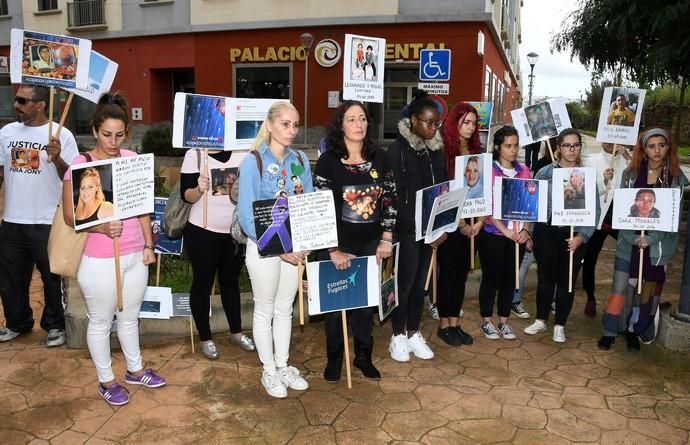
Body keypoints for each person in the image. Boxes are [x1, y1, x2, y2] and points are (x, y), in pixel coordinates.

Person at [61, 93, 166, 406]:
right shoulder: (81, 165)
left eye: (119, 135)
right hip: (98, 258)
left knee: (130, 317)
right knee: (101, 321)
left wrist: (149, 245)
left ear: (127, 134)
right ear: (95, 131)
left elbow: (144, 208)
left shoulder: (133, 160)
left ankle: (135, 369)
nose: (112, 140)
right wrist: (101, 227)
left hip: (135, 254)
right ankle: (106, 380)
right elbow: (70, 215)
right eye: (106, 134)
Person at [314, 100, 396, 381]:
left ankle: (363, 356)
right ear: (341, 125)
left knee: (365, 305)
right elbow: (320, 208)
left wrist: (386, 239)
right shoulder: (327, 162)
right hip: (336, 246)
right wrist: (332, 250)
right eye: (351, 119)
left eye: (362, 118)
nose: (358, 124)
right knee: (335, 309)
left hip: (371, 244)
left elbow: (390, 200)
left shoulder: (381, 157)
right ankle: (335, 358)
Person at [238, 101, 313, 398]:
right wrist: (279, 248)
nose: (292, 130)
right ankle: (268, 370)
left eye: (295, 124)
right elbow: (246, 215)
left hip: (295, 248)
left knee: (285, 309)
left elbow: (307, 202)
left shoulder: (300, 160)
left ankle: (283, 365)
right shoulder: (253, 161)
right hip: (264, 248)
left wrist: (307, 239)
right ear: (269, 125)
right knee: (265, 309)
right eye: (285, 124)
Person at [0, 85, 79, 346]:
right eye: (17, 100)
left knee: (52, 278)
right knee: (11, 279)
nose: (17, 105)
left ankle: (55, 326)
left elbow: (72, 178)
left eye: (23, 101)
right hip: (13, 221)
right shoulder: (6, 133)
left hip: (48, 220)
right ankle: (17, 323)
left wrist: (56, 159)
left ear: (41, 104)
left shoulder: (61, 135)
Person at [599, 128, 687, 351]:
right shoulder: (630, 175)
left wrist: (651, 239)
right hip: (628, 244)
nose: (657, 150)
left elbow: (673, 217)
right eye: (651, 146)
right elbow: (621, 210)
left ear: (668, 147)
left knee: (643, 291)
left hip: (657, 247)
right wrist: (632, 238)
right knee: (620, 289)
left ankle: (632, 329)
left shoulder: (675, 178)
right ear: (644, 149)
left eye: (662, 145)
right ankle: (610, 330)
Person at [524, 129, 598, 343]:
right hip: (547, 231)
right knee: (546, 277)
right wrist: (529, 231)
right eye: (567, 145)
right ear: (558, 148)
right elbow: (533, 204)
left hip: (573, 234)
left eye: (576, 145)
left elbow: (595, 210)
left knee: (567, 279)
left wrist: (581, 237)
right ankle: (540, 319)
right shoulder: (545, 172)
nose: (572, 149)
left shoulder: (586, 175)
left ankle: (560, 324)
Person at [387, 91, 445, 361]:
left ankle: (413, 332)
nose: (434, 128)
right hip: (407, 231)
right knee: (404, 284)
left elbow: (442, 190)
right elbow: (395, 197)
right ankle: (397, 335)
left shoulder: (436, 150)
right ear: (413, 120)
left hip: (429, 232)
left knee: (420, 285)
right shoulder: (397, 151)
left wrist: (439, 227)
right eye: (429, 122)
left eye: (437, 124)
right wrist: (418, 228)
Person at [180, 149, 253, 360]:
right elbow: (187, 195)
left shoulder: (243, 150)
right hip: (202, 231)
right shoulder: (195, 154)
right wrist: (198, 189)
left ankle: (236, 333)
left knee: (230, 282)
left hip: (234, 232)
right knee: (202, 283)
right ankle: (205, 338)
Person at [434, 101, 484, 347]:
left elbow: (482, 191)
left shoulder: (477, 152)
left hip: (472, 224)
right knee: (449, 275)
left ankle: (455, 322)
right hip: (451, 224)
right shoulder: (443, 151)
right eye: (466, 122)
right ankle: (444, 325)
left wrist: (479, 222)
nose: (471, 127)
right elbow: (445, 191)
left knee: (462, 274)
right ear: (455, 122)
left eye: (474, 123)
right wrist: (462, 223)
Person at [478, 126, 532, 340]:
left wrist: (525, 230)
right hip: (493, 234)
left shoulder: (524, 171)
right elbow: (488, 206)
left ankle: (504, 321)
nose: (513, 150)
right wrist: (505, 231)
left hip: (517, 235)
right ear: (498, 147)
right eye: (508, 145)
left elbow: (530, 205)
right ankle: (486, 321)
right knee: (491, 278)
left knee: (511, 279)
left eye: (516, 145)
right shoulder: (489, 171)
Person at [581, 142, 631, 317]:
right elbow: (586, 191)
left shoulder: (628, 162)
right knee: (590, 258)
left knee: (633, 251)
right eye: (608, 138)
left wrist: (628, 157)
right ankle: (590, 297)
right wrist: (603, 181)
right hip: (599, 220)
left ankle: (629, 297)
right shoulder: (590, 161)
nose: (612, 142)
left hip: (622, 219)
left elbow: (640, 181)